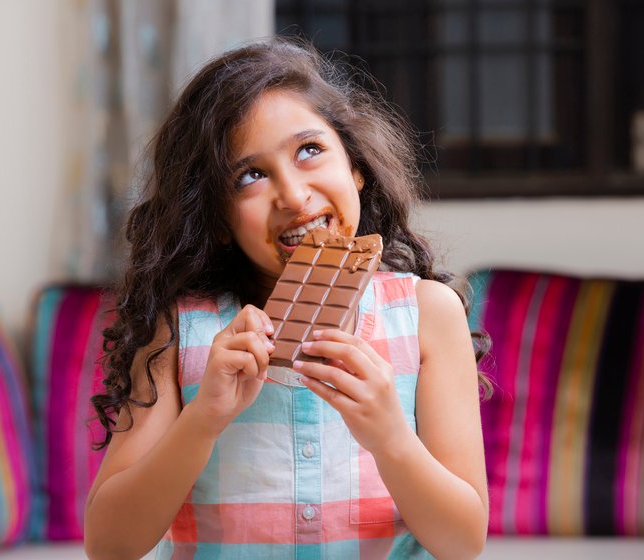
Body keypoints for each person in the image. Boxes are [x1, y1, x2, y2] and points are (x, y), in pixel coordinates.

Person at [84, 37, 489, 560]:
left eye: (310, 151)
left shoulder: (428, 316)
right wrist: (204, 417)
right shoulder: (182, 330)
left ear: (357, 168)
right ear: (219, 220)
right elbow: (108, 546)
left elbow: (463, 542)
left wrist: (391, 438)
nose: (294, 196)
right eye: (250, 175)